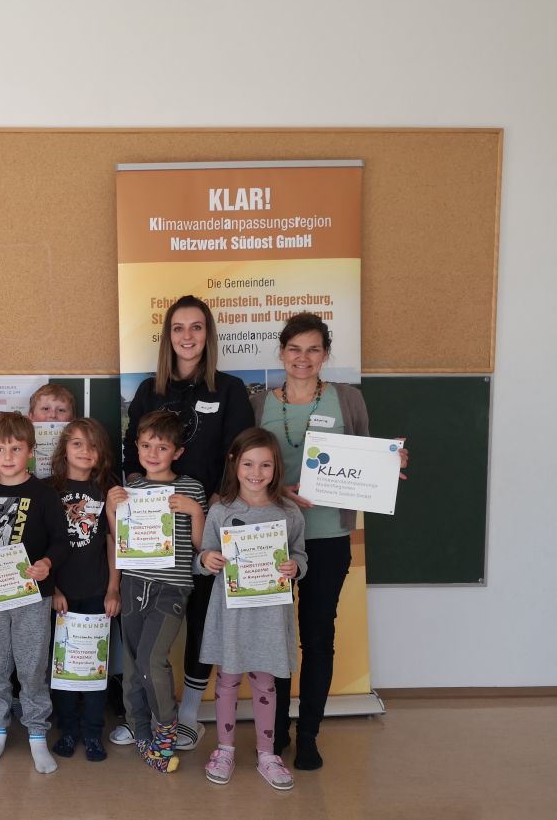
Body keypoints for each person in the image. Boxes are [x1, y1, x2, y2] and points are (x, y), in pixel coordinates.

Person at [252, 312, 408, 771]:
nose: (303, 358)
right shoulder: (259, 404)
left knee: (318, 637)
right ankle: (274, 731)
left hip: (329, 537)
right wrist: (278, 490)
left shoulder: (349, 400)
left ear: (325, 354)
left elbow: (369, 456)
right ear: (281, 352)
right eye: (295, 349)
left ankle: (310, 734)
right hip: (269, 538)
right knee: (274, 641)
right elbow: (243, 466)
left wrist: (391, 460)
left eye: (313, 349)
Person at [116, 295, 253, 751]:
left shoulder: (229, 389)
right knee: (143, 625)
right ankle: (146, 717)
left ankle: (190, 711)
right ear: (168, 336)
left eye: (197, 328)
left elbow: (240, 452)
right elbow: (127, 455)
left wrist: (214, 502)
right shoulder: (149, 391)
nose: (188, 336)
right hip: (154, 528)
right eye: (179, 328)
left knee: (202, 614)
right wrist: (142, 496)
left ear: (208, 335)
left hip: (211, 516)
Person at [196, 427, 308, 791]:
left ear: (276, 468)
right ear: (234, 464)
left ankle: (266, 753)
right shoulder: (221, 511)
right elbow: (204, 556)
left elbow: (300, 554)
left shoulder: (289, 512)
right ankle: (225, 748)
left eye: (265, 465)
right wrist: (207, 559)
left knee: (265, 682)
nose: (256, 472)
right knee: (227, 680)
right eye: (248, 463)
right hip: (231, 614)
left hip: (269, 615)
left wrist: (295, 566)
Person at [0, 412, 69, 773]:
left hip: (33, 595)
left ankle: (37, 734)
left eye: (16, 448)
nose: (8, 456)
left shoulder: (44, 494)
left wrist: (47, 564)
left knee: (32, 665)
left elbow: (61, 541)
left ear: (30, 451)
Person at [106, 411, 206, 772]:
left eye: (161, 447)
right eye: (146, 445)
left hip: (171, 588)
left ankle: (165, 730)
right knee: (133, 667)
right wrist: (110, 509)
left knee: (152, 659)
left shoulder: (191, 488)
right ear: (137, 447)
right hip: (134, 584)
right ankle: (139, 730)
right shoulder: (129, 490)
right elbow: (120, 541)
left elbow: (201, 545)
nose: (152, 453)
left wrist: (195, 512)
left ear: (176, 453)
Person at [47, 418, 120, 762]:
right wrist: (53, 588)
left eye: (92, 445)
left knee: (93, 666)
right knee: (62, 667)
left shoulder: (108, 491)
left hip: (96, 592)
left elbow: (114, 543)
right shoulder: (48, 489)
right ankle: (68, 729)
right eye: (77, 444)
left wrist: (113, 590)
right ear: (64, 449)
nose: (85, 451)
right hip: (61, 593)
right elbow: (44, 544)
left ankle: (92, 732)